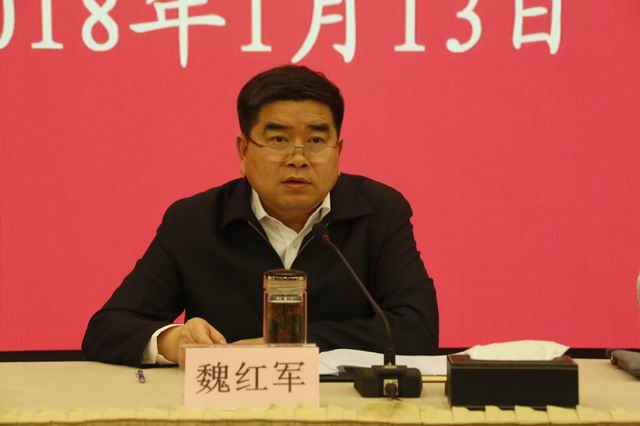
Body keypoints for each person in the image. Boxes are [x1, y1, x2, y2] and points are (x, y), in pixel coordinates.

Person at [82, 65, 439, 367]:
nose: (298, 158)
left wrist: (295, 346)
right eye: (279, 140)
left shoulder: (379, 211)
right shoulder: (193, 221)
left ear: (338, 150)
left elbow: (417, 330)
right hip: (227, 408)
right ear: (243, 150)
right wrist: (173, 342)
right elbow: (107, 328)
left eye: (316, 141)